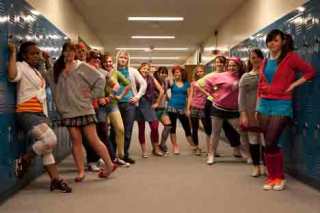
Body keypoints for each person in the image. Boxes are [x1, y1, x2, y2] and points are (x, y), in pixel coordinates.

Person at [8, 41, 71, 192]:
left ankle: (55, 180)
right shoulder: (22, 66)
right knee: (50, 140)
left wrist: (47, 61)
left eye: (38, 53)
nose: (37, 56)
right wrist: (12, 54)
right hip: (27, 112)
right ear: (24, 55)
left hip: (41, 113)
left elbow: (51, 80)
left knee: (47, 148)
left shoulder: (36, 71)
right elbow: (12, 76)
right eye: (33, 53)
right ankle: (25, 159)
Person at [256, 29, 316, 190]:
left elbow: (310, 71)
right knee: (267, 143)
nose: (272, 44)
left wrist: (294, 85)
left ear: (283, 41)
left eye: (275, 40)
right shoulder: (265, 61)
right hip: (263, 104)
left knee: (271, 141)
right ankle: (271, 177)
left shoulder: (290, 58)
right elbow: (260, 85)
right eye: (270, 41)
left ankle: (280, 177)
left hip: (281, 104)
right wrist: (257, 104)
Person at [53, 42, 117, 182]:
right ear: (63, 52)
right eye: (67, 51)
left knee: (93, 139)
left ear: (75, 53)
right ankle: (81, 172)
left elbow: (100, 79)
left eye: (72, 51)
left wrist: (93, 95)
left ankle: (109, 164)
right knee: (76, 141)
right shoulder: (58, 69)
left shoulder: (82, 66)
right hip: (68, 111)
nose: (69, 54)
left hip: (84, 109)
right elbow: (47, 78)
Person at [197, 57, 246, 165]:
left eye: (234, 65)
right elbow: (201, 83)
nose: (231, 67)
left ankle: (246, 153)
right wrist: (212, 93)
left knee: (241, 131)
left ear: (239, 66)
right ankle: (211, 154)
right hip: (218, 107)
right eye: (230, 65)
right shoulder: (220, 75)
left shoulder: (242, 76)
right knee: (215, 132)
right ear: (227, 66)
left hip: (234, 109)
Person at [115, 50, 147, 164]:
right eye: (121, 57)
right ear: (117, 58)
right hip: (115, 103)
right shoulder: (113, 70)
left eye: (125, 58)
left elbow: (144, 83)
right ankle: (113, 155)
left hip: (130, 104)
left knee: (127, 130)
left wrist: (137, 96)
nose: (123, 60)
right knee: (116, 130)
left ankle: (124, 155)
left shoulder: (132, 71)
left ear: (128, 60)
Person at [100, 53, 131, 166]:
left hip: (112, 104)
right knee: (103, 132)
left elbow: (128, 85)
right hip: (100, 106)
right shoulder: (98, 72)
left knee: (120, 129)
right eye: (105, 62)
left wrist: (120, 96)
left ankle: (120, 156)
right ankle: (104, 156)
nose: (108, 64)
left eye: (109, 61)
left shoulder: (115, 73)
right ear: (102, 63)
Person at [239, 49, 265, 177]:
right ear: (250, 60)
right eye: (252, 58)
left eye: (258, 57)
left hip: (265, 111)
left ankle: (265, 166)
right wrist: (243, 113)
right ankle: (256, 166)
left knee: (266, 140)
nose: (255, 60)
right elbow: (241, 97)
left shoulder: (267, 74)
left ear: (262, 58)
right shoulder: (246, 77)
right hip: (250, 111)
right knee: (253, 139)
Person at [136, 63, 164, 157]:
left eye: (147, 69)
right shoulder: (136, 77)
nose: (145, 70)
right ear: (140, 69)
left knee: (155, 127)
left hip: (149, 105)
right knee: (141, 128)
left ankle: (156, 148)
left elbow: (161, 90)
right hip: (139, 104)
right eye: (144, 68)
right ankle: (144, 151)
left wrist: (157, 103)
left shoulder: (151, 78)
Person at [167, 65, 195, 154]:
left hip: (182, 108)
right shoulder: (171, 83)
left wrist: (188, 108)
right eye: (175, 72)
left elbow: (189, 97)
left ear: (182, 73)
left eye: (178, 72)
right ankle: (175, 147)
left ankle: (193, 145)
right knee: (173, 128)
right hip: (171, 107)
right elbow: (163, 90)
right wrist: (168, 99)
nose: (177, 73)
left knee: (187, 127)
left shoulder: (187, 83)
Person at [187, 65, 211, 156]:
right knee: (195, 128)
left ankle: (210, 149)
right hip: (194, 107)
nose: (200, 73)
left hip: (204, 107)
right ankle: (196, 147)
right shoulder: (193, 83)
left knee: (207, 128)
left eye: (201, 71)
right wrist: (188, 108)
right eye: (198, 72)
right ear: (196, 73)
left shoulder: (208, 82)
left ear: (204, 72)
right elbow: (190, 96)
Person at [153, 67, 172, 154]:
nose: (164, 74)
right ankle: (155, 148)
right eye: (162, 73)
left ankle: (162, 144)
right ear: (158, 73)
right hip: (154, 109)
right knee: (154, 129)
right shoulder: (153, 82)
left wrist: (168, 99)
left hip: (163, 108)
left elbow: (166, 93)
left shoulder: (166, 82)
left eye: (165, 73)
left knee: (168, 126)